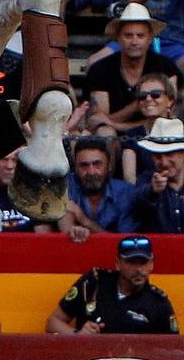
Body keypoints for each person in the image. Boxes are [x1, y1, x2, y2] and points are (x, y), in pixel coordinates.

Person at [47, 232, 177, 331]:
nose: (138, 269)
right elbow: (53, 322)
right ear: (117, 263)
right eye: (131, 262)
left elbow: (171, 349)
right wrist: (78, 336)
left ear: (151, 265)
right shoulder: (94, 282)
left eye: (143, 263)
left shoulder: (158, 302)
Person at [63, 133, 140, 238]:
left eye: (97, 164)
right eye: (84, 165)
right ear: (75, 168)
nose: (91, 172)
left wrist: (85, 221)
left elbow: (124, 243)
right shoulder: (65, 186)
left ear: (109, 165)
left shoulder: (125, 193)